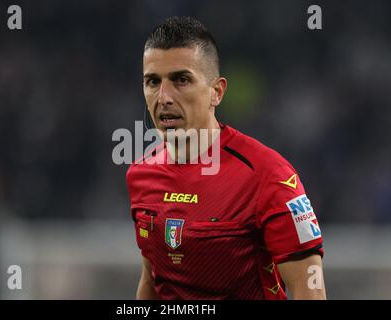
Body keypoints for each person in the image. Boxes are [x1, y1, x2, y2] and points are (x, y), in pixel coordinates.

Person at [126, 16, 326, 300]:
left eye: (181, 80)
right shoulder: (140, 175)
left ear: (216, 92)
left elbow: (311, 289)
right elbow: (152, 279)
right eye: (153, 82)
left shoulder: (269, 175)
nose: (164, 97)